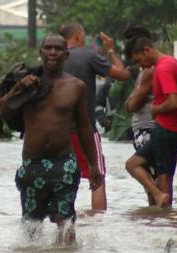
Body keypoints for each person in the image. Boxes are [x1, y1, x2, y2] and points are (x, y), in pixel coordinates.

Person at [0, 34, 103, 245]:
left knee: (66, 224)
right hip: (32, 164)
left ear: (66, 55)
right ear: (41, 53)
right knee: (30, 225)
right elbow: (3, 111)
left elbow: (84, 126)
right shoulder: (26, 84)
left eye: (57, 49)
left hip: (63, 164)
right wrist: (18, 89)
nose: (52, 52)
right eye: (48, 48)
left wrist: (93, 164)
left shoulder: (76, 87)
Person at [59, 22, 130, 211]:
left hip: (57, 132)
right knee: (96, 176)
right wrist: (111, 50)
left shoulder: (53, 59)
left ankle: (64, 226)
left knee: (62, 180)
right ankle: (97, 224)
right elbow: (122, 74)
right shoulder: (88, 55)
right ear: (78, 35)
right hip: (85, 130)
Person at [123, 26, 177, 208]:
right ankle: (159, 198)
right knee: (133, 164)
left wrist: (157, 109)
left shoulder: (164, 68)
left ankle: (163, 216)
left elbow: (173, 102)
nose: (140, 65)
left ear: (147, 50)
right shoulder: (167, 63)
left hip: (167, 128)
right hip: (168, 128)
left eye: (139, 60)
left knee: (164, 174)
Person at [125, 66, 157, 205]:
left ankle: (158, 208)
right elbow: (129, 103)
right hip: (143, 128)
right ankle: (156, 216)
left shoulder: (149, 72)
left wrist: (130, 101)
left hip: (147, 128)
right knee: (151, 177)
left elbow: (132, 105)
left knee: (151, 177)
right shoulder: (143, 72)